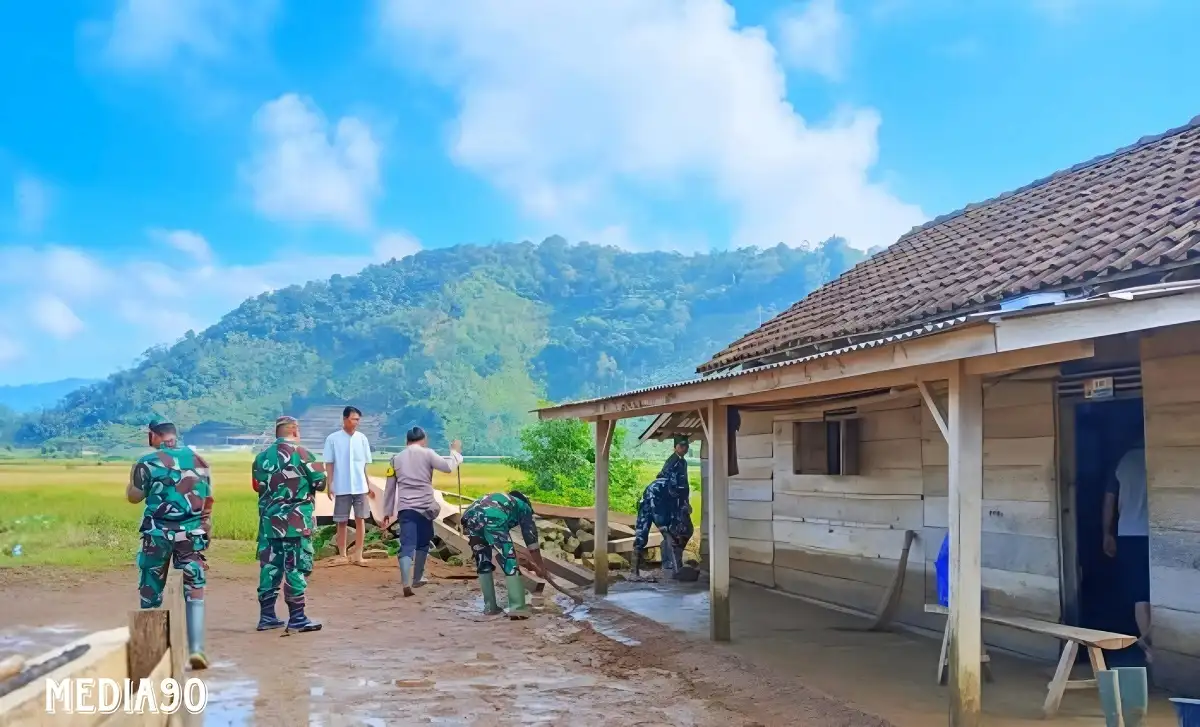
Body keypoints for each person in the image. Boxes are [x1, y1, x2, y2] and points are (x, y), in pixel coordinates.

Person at [125, 419, 213, 670]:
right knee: (194, 585)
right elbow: (207, 499)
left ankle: (151, 653)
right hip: (191, 533)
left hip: (158, 533)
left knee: (151, 588)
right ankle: (196, 650)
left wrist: (133, 479)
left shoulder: (147, 462)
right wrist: (206, 530)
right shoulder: (199, 461)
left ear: (153, 435)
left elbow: (134, 497)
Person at [251, 416, 326, 634]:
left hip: (268, 523)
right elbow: (320, 483)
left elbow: (257, 487)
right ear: (295, 430)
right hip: (296, 523)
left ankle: (267, 617)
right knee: (295, 567)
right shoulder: (305, 455)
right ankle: (297, 617)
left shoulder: (261, 458)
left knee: (270, 567)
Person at [381, 428, 463, 597]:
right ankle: (417, 577)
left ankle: (405, 582)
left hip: (406, 509)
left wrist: (387, 512)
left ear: (407, 441)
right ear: (424, 440)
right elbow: (448, 467)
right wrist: (454, 451)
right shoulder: (428, 454)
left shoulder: (395, 459)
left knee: (407, 545)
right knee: (423, 543)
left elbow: (389, 488)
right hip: (425, 507)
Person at [460, 490, 547, 619]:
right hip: (493, 519)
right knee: (510, 562)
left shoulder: (503, 499)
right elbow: (531, 540)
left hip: (469, 518)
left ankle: (490, 607)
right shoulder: (524, 507)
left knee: (483, 561)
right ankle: (517, 608)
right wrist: (541, 567)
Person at [1104, 441, 1152, 664]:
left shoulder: (1123, 461)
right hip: (1159, 532)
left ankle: (1147, 645)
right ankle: (1152, 644)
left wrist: (1107, 533)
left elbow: (1110, 500)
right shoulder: (1158, 456)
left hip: (1129, 532)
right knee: (1157, 591)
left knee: (1139, 594)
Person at [631, 435, 694, 579]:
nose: (684, 448)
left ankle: (672, 565)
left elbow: (683, 488)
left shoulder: (682, 463)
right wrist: (661, 523)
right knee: (648, 531)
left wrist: (685, 503)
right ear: (676, 447)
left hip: (672, 501)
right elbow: (673, 489)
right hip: (657, 500)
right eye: (682, 446)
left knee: (682, 530)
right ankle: (634, 571)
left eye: (686, 446)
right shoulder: (660, 483)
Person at [322, 406, 374, 566]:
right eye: (354, 419)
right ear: (344, 419)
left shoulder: (362, 439)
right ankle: (343, 555)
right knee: (341, 521)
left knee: (360, 519)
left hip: (360, 486)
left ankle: (359, 554)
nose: (357, 422)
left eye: (358, 419)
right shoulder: (333, 439)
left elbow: (364, 465)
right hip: (341, 485)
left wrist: (368, 483)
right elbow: (329, 464)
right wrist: (329, 483)